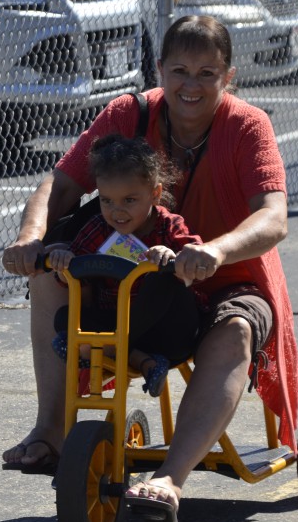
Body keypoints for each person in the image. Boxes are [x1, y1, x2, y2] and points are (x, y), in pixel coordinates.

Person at [1, 15, 298, 522]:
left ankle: (169, 478)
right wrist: (31, 239)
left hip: (226, 276)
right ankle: (50, 428)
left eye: (207, 72)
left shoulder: (248, 125)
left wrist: (214, 250)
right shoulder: (128, 114)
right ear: (159, 69)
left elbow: (273, 217)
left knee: (236, 330)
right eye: (179, 70)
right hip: (131, 278)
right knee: (52, 273)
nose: (191, 84)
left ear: (228, 77)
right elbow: (61, 184)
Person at [46, 134, 202, 399]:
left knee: (160, 279)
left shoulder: (168, 225)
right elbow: (75, 267)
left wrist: (173, 255)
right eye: (107, 201)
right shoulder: (99, 227)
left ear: (155, 193)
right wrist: (63, 262)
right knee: (65, 318)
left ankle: (101, 348)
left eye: (129, 200)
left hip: (166, 333)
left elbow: (196, 257)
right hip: (118, 328)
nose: (117, 211)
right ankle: (142, 360)